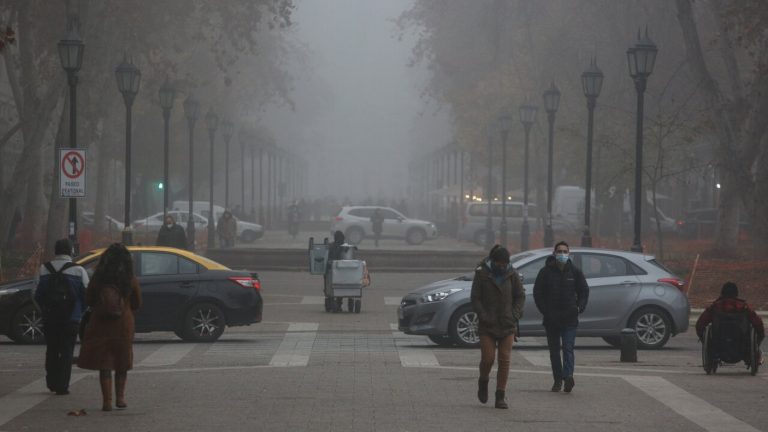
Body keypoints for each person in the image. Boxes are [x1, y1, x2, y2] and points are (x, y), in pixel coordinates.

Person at [77, 243, 142, 411]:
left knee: (104, 362)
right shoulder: (129, 278)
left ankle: (106, 401)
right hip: (123, 325)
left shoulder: (98, 278)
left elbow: (89, 299)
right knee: (122, 361)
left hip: (101, 324)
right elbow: (137, 302)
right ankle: (120, 399)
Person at [471, 245, 525, 409]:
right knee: (488, 359)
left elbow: (520, 296)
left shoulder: (512, 274)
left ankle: (500, 395)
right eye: (499, 263)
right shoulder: (482, 273)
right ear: (493, 261)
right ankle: (483, 380)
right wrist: (483, 315)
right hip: (488, 325)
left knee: (504, 359)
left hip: (507, 324)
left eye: (504, 263)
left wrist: (514, 315)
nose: (501, 266)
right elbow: (475, 298)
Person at [33, 238, 89, 395]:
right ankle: (62, 385)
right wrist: (80, 311)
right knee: (66, 351)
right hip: (71, 318)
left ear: (55, 251)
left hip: (50, 317)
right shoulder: (78, 270)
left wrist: (44, 310)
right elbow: (87, 294)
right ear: (71, 251)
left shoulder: (44, 269)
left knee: (51, 349)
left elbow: (35, 294)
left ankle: (51, 381)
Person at [533, 241, 589, 393]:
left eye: (565, 251)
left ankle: (568, 376)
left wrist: (579, 308)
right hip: (552, 319)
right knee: (554, 351)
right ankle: (557, 379)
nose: (562, 254)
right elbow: (537, 293)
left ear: (569, 253)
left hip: (570, 318)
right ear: (554, 253)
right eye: (559, 251)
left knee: (568, 348)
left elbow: (584, 291)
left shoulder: (575, 272)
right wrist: (545, 311)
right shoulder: (545, 272)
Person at [695, 282, 764, 354]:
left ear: (722, 293)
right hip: (741, 345)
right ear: (736, 294)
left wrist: (704, 340)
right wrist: (759, 338)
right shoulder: (743, 307)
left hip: (718, 345)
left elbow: (700, 325)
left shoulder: (715, 306)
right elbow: (758, 323)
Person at [325, 230, 347, 312]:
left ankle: (333, 302)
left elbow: (327, 259)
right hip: (341, 270)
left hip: (331, 270)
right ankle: (338, 303)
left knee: (331, 286)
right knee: (340, 287)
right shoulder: (344, 247)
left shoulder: (331, 246)